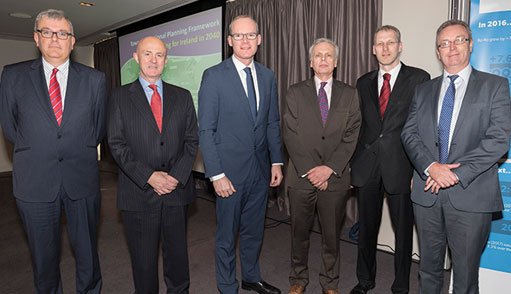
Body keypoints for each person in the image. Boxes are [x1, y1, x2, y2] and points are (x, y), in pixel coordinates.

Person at [401, 19, 511, 293]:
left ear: (471, 45)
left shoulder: (495, 86)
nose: (452, 48)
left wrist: (453, 174)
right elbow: (409, 134)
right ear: (437, 52)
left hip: (471, 196)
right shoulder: (423, 90)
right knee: (427, 270)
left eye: (459, 40)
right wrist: (431, 167)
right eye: (444, 43)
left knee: (464, 277)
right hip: (427, 195)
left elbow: (499, 140)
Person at [0, 9, 106, 293]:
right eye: (47, 32)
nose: (55, 38)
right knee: (43, 260)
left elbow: (97, 130)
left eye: (62, 33)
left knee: (87, 255)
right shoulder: (12, 76)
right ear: (36, 38)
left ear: (72, 41)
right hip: (35, 182)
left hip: (81, 180)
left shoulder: (95, 80)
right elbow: (11, 130)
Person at [198, 15, 283, 294]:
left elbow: (271, 122)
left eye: (250, 35)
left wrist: (277, 161)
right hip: (228, 175)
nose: (245, 41)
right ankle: (227, 287)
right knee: (226, 236)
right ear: (229, 40)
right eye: (239, 36)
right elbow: (206, 130)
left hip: (260, 171)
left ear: (259, 39)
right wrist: (216, 174)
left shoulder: (268, 76)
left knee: (253, 231)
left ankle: (251, 277)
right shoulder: (214, 76)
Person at [107, 36, 198, 293]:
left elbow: (192, 141)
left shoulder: (183, 96)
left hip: (176, 192)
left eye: (159, 55)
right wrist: (149, 177)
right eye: (147, 54)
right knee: (144, 263)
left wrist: (175, 177)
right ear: (136, 58)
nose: (153, 60)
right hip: (139, 193)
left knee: (178, 259)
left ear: (166, 60)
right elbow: (116, 144)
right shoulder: (119, 97)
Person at [349, 25, 430, 294]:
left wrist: (418, 170)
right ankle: (365, 281)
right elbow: (360, 127)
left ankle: (400, 287)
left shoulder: (419, 78)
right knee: (366, 230)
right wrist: (352, 164)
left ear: (400, 46)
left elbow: (423, 128)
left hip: (402, 168)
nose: (385, 48)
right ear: (373, 49)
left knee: (404, 232)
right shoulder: (363, 82)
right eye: (380, 44)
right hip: (367, 166)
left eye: (390, 42)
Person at [282, 38, 361, 294]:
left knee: (331, 237)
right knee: (299, 234)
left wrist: (328, 169)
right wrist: (311, 170)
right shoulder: (295, 92)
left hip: (335, 178)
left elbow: (352, 134)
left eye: (328, 55)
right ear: (310, 62)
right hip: (301, 177)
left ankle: (330, 282)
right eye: (318, 55)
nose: (323, 59)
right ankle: (298, 279)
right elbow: (290, 134)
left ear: (336, 62)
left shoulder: (350, 94)